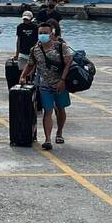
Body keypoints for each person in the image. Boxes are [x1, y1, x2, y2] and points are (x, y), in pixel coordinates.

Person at [19, 22, 73, 151]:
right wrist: (22, 76)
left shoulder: (61, 47)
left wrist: (62, 80)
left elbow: (69, 61)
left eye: (45, 33)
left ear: (51, 34)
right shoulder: (35, 50)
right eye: (40, 33)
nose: (42, 35)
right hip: (45, 85)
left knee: (60, 109)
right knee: (47, 111)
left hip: (60, 85)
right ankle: (48, 139)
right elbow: (31, 65)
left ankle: (59, 133)